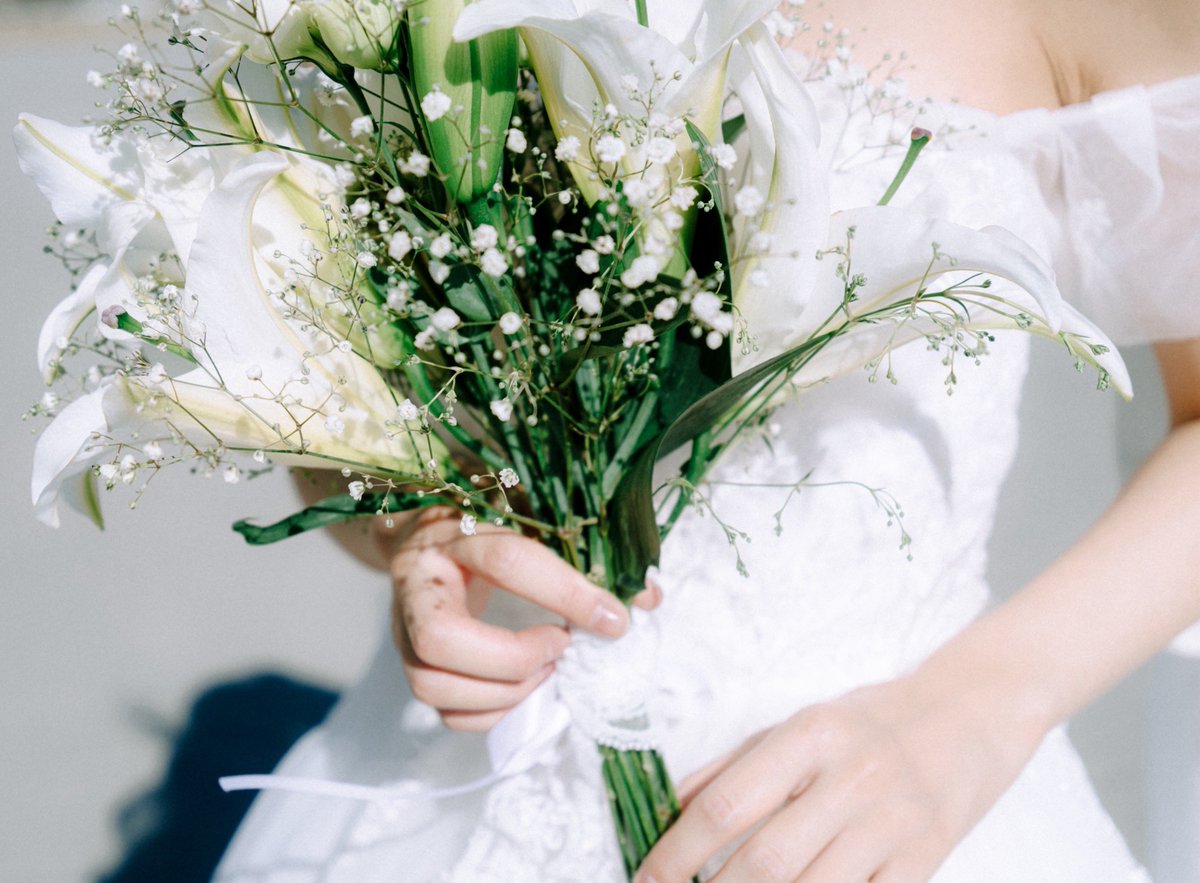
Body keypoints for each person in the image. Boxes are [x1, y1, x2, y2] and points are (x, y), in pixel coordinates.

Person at [215, 0, 1200, 879]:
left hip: (894, 799)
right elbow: (338, 397)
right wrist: (422, 526)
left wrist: (980, 709)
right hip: (469, 781)